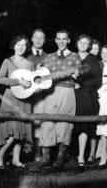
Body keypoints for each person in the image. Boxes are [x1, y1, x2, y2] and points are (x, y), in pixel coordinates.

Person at [31, 30, 81, 172]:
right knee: (47, 123)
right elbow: (42, 75)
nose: (61, 41)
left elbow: (77, 73)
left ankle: (60, 159)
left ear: (69, 40)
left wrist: (75, 73)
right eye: (58, 38)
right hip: (51, 92)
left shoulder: (75, 57)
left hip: (67, 92)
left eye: (64, 39)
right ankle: (45, 159)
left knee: (64, 124)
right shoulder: (49, 57)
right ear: (55, 40)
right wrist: (39, 72)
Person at [0, 35, 33, 169]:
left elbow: (33, 84)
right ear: (14, 46)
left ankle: (16, 160)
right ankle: (0, 157)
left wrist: (35, 87)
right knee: (12, 131)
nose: (21, 47)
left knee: (20, 132)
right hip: (10, 99)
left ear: (26, 47)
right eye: (18, 44)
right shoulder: (7, 61)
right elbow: (0, 79)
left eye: (23, 45)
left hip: (25, 100)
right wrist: (18, 81)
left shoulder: (30, 64)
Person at [74, 35, 102, 167]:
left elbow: (97, 80)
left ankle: (81, 156)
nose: (83, 45)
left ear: (89, 46)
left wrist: (81, 83)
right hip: (71, 94)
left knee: (84, 124)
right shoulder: (72, 57)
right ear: (77, 43)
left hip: (86, 95)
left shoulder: (92, 59)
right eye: (81, 42)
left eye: (86, 43)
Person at [27, 29, 48, 162]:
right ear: (32, 39)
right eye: (36, 37)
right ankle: (27, 152)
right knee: (28, 123)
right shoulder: (25, 55)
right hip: (27, 96)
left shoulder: (48, 56)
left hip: (42, 96)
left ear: (45, 40)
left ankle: (39, 152)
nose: (39, 40)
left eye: (42, 37)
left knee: (40, 122)